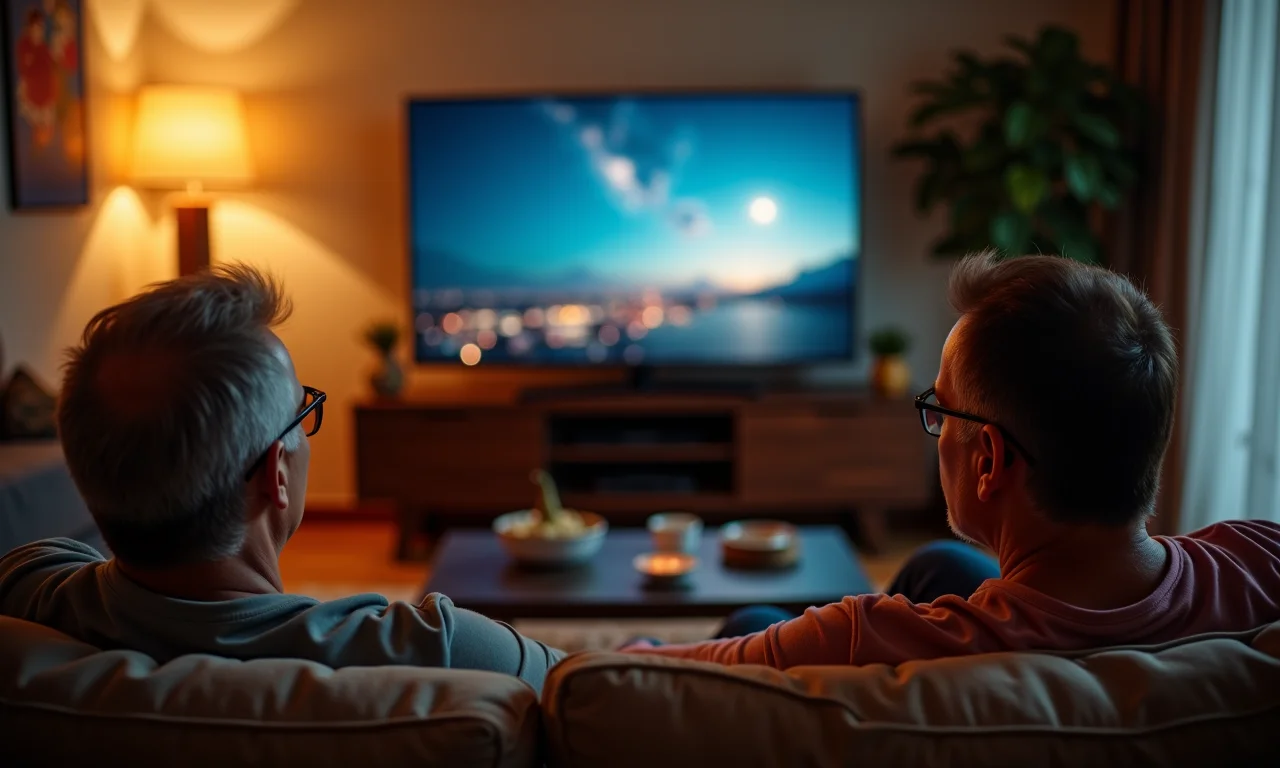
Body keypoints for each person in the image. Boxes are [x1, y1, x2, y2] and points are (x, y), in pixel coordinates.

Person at [625, 252, 1280, 666]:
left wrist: (641, 649)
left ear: (990, 459)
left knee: (756, 621)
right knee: (938, 563)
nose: (934, 431)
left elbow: (643, 682)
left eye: (940, 410)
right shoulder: (1261, 561)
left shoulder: (863, 640)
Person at [0, 266, 564, 692]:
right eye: (304, 412)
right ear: (277, 474)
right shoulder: (449, 650)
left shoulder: (23, 588)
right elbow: (599, 691)